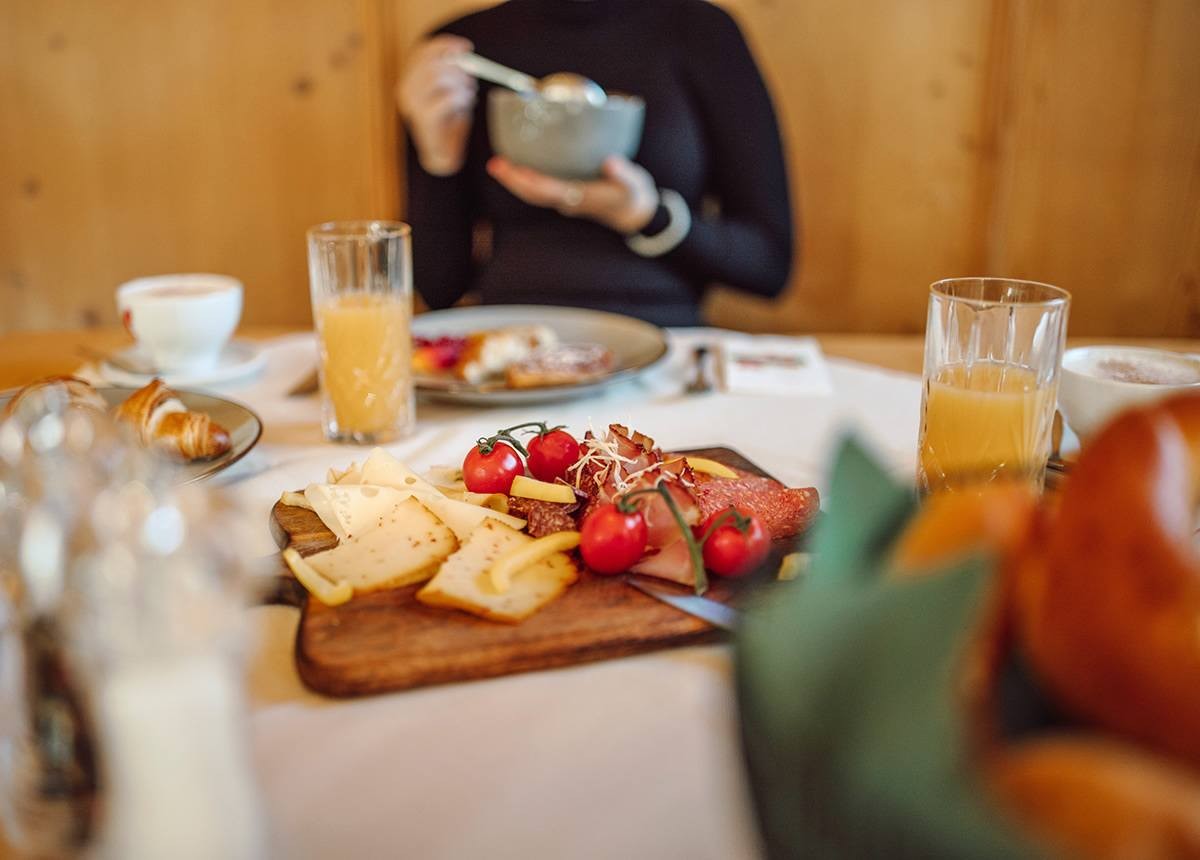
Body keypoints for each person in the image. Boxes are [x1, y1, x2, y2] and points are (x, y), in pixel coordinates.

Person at [398, 0, 794, 327]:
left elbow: (769, 264)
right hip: (507, 340)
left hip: (665, 337)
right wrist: (438, 156)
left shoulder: (701, 33)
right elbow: (439, 288)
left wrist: (645, 215)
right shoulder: (461, 53)